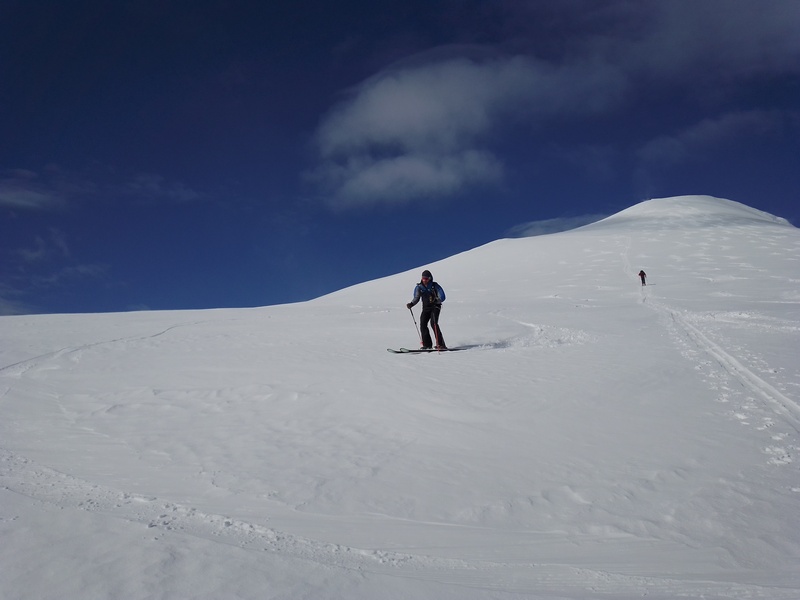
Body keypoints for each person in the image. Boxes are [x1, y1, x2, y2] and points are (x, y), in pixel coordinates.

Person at [406, 270, 447, 349]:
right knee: (423, 324)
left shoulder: (435, 286)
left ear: (430, 278)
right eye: (423, 278)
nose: (424, 280)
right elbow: (416, 297)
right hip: (426, 308)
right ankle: (427, 345)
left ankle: (441, 344)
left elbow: (442, 297)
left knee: (433, 323)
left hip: (435, 307)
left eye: (426, 278)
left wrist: (436, 300)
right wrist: (411, 304)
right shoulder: (419, 287)